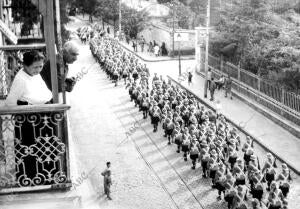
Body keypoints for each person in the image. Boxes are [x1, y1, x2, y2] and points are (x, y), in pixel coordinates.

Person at [4, 50, 55, 184]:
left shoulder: (35, 74)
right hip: (29, 120)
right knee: (30, 149)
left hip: (43, 117)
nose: (38, 70)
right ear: (26, 66)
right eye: (35, 67)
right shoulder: (21, 79)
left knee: (45, 147)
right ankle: (31, 179)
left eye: (40, 66)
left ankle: (46, 176)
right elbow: (10, 102)